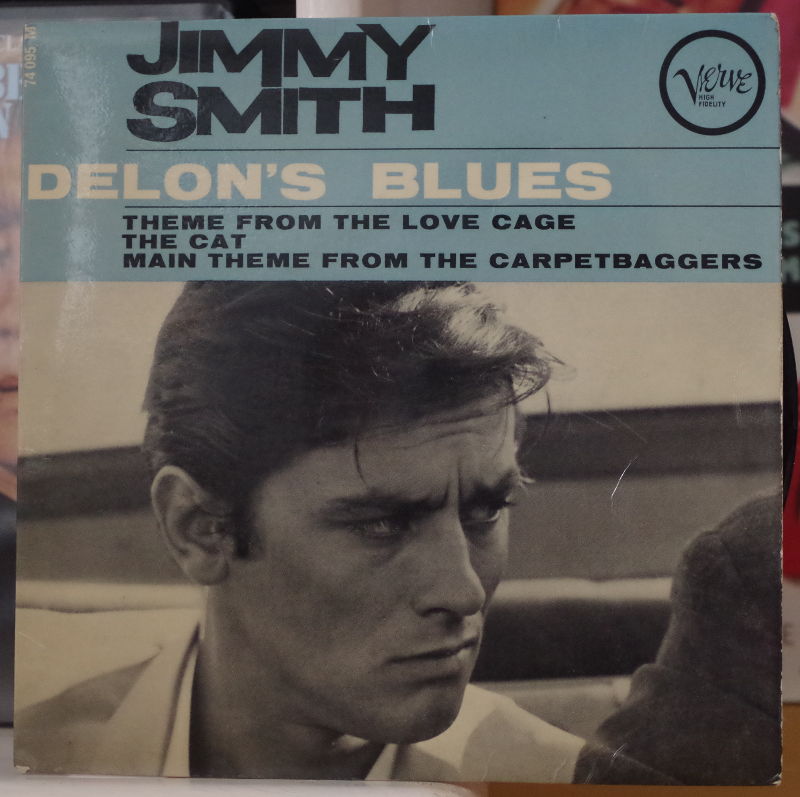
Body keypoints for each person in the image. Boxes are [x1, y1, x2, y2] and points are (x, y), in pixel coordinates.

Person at [15, 281, 585, 781]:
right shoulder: (32, 757)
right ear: (199, 529)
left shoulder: (561, 781)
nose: (463, 592)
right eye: (381, 524)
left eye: (485, 510)